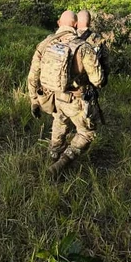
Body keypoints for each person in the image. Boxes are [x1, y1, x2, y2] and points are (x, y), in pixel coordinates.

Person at [28, 10, 104, 178]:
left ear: (58, 23)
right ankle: (60, 164)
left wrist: (34, 101)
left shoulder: (45, 44)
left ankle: (52, 157)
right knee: (86, 133)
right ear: (75, 25)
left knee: (60, 123)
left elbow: (33, 76)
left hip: (52, 98)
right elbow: (98, 80)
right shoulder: (83, 47)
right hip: (75, 100)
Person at [76, 9, 109, 87]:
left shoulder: (70, 37)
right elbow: (106, 63)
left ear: (76, 21)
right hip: (90, 84)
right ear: (90, 22)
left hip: (71, 86)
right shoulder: (98, 40)